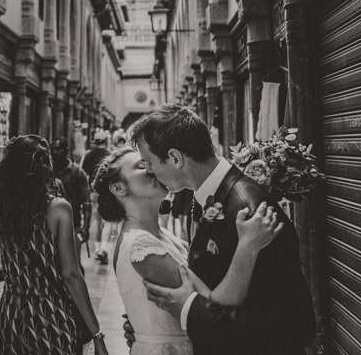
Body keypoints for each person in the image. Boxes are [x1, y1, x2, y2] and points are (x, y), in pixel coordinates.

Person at [131, 104, 315, 355]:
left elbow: (292, 321)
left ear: (175, 158)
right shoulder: (204, 197)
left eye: (149, 162)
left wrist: (191, 310)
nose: (149, 171)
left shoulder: (247, 210)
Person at [93, 147, 285, 354]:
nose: (151, 168)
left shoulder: (160, 235)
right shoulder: (141, 245)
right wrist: (248, 248)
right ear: (119, 189)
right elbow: (216, 306)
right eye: (141, 166)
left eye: (150, 162)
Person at [0, 135, 109, 355]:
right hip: (51, 313)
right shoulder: (58, 209)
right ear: (44, 167)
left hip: (12, 313)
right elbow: (71, 275)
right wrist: (97, 334)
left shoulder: (1, 207)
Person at [50, 137, 91, 248]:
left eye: (58, 149)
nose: (55, 152)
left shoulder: (77, 172)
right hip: (51, 225)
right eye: (52, 149)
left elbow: (87, 200)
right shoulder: (47, 171)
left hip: (73, 224)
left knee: (73, 261)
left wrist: (85, 227)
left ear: (67, 150)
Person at [82, 133, 113, 263]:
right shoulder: (110, 155)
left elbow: (83, 173)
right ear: (106, 140)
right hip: (107, 191)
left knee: (95, 219)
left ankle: (96, 249)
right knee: (108, 220)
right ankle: (104, 248)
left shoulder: (88, 155)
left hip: (93, 191)